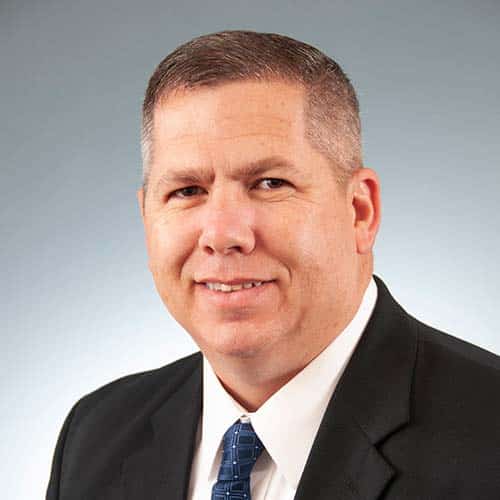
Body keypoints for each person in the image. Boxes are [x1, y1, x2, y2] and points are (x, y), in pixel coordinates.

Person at [46, 31, 500, 500]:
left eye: (269, 183)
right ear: (146, 218)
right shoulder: (96, 434)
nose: (222, 235)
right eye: (186, 191)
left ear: (359, 212)